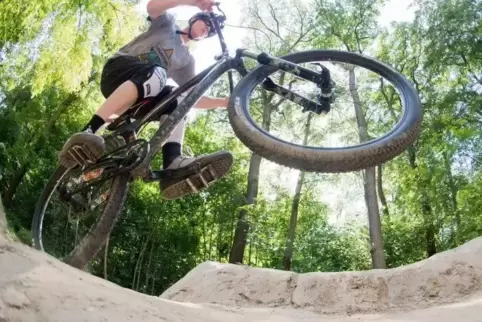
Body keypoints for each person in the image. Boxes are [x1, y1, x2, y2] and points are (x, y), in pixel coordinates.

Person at [58, 0, 233, 200]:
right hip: (118, 72)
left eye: (209, 31)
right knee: (158, 72)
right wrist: (193, 2)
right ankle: (90, 129)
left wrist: (222, 102)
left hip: (137, 100)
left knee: (177, 100)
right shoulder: (167, 24)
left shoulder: (186, 61)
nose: (206, 30)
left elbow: (194, 97)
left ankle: (172, 162)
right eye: (206, 24)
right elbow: (153, 6)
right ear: (195, 19)